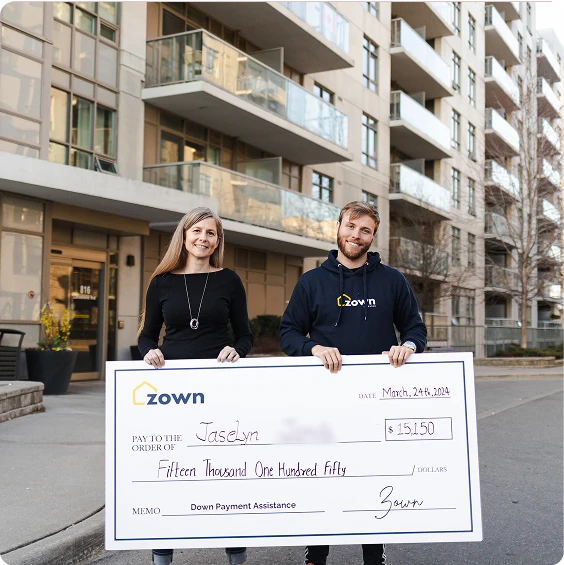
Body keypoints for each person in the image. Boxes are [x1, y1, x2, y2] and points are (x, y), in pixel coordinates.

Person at [280, 201, 427, 565]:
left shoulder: (392, 280)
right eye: (350, 226)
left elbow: (415, 329)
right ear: (338, 227)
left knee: (371, 477)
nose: (356, 235)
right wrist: (313, 348)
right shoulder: (312, 281)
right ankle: (316, 554)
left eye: (365, 230)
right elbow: (288, 333)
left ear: (373, 236)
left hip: (377, 401)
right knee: (324, 476)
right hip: (324, 399)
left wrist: (407, 347)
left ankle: (374, 554)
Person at [138, 207, 253, 565]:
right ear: (184, 235)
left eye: (211, 233)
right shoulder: (161, 282)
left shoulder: (229, 280)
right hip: (174, 391)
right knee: (171, 470)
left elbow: (245, 335)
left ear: (218, 241)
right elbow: (146, 336)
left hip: (220, 388)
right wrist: (149, 352)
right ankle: (162, 551)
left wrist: (237, 350)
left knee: (223, 471)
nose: (203, 238)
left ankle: (235, 550)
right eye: (197, 231)